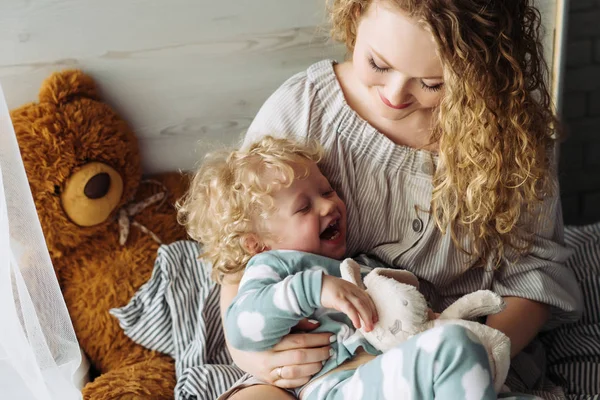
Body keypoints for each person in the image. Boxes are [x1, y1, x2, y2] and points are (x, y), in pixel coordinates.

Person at [218, 0, 583, 398]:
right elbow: (240, 259)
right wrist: (250, 356)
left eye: (431, 83)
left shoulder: (507, 138)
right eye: (378, 64)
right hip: (318, 366)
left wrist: (478, 346)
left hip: (452, 348)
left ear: (478, 70)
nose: (395, 94)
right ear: (355, 13)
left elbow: (533, 276)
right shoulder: (303, 108)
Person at [177, 135, 514, 399]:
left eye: (327, 190)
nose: (328, 204)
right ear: (258, 242)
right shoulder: (272, 267)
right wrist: (315, 288)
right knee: (456, 347)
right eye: (304, 206)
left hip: (392, 375)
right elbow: (243, 325)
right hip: (339, 386)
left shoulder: (363, 266)